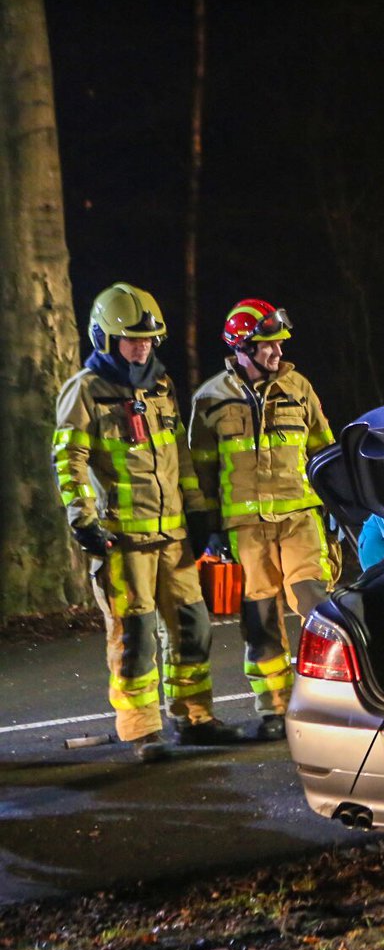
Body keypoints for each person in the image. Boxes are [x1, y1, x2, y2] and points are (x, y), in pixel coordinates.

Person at [53, 283, 238, 761]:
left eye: (150, 338)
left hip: (173, 537)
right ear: (106, 339)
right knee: (133, 636)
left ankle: (194, 718)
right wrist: (82, 519)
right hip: (121, 541)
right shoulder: (85, 391)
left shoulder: (161, 386)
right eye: (132, 338)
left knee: (193, 627)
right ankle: (142, 730)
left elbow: (178, 453)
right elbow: (68, 459)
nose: (143, 346)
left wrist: (199, 512)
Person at [190, 299, 335, 740]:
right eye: (267, 346)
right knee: (260, 619)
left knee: (318, 606)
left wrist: (337, 507)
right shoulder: (210, 399)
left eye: (278, 345)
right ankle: (274, 708)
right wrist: (209, 527)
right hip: (244, 528)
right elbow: (200, 470)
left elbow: (324, 450)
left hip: (298, 516)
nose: (276, 353)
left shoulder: (299, 387)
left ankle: (328, 699)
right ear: (242, 347)